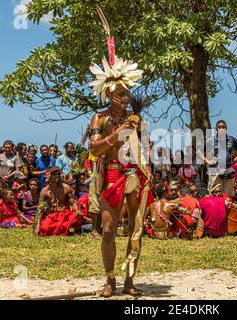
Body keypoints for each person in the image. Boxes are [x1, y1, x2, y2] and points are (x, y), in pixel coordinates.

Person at [88, 51, 153, 297]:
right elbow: (94, 148)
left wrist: (147, 166)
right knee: (107, 230)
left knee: (136, 229)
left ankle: (129, 280)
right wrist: (118, 133)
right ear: (108, 94)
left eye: (127, 94)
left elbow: (145, 147)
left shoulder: (136, 118)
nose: (125, 99)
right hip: (111, 175)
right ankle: (109, 279)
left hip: (134, 174)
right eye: (120, 94)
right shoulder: (99, 118)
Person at [35, 167, 80, 236]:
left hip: (65, 214)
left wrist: (77, 210)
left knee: (71, 222)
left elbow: (73, 202)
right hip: (51, 216)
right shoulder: (44, 191)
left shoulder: (66, 187)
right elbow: (40, 208)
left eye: (58, 174)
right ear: (49, 176)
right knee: (44, 229)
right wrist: (38, 225)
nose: (57, 176)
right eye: (54, 174)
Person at [202, 120, 237, 197]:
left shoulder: (232, 139)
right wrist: (206, 161)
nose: (221, 129)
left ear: (226, 128)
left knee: (228, 193)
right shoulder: (211, 141)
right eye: (219, 127)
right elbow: (200, 151)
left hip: (228, 169)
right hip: (215, 169)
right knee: (213, 192)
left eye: (223, 127)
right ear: (216, 129)